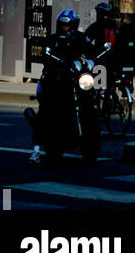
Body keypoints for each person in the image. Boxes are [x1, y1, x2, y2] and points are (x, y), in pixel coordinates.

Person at [27, 8, 90, 162]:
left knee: (90, 97)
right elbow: (45, 56)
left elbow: (90, 52)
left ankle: (89, 139)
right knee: (45, 109)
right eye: (62, 25)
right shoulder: (52, 39)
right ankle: (36, 150)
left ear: (74, 25)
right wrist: (56, 64)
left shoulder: (81, 38)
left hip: (74, 79)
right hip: (53, 79)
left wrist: (89, 61)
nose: (64, 28)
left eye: (67, 25)